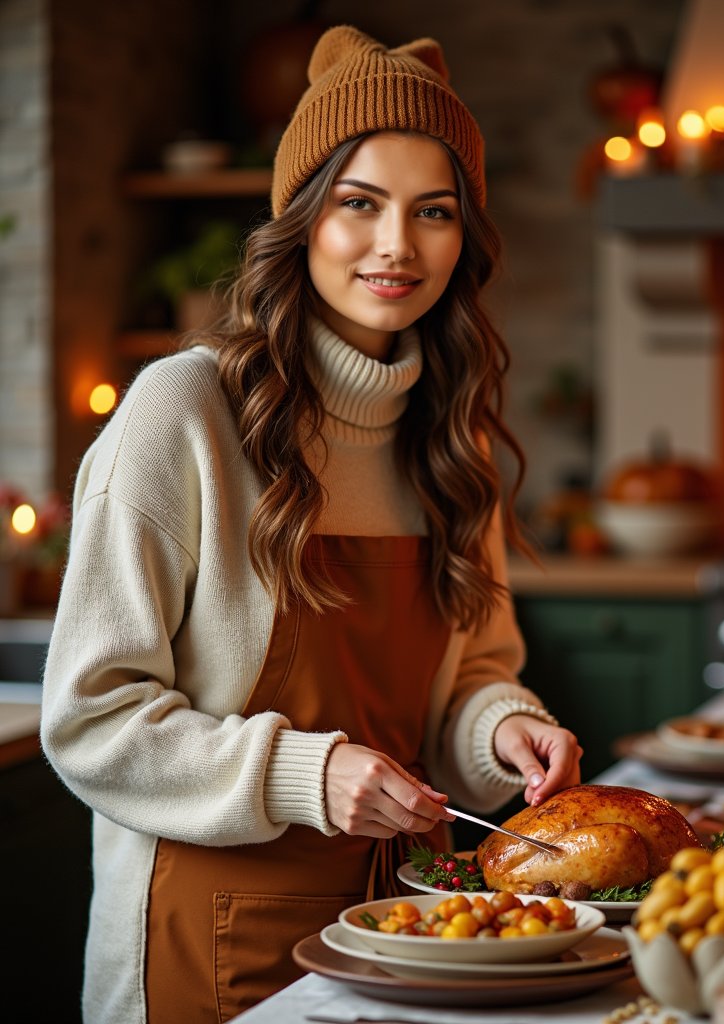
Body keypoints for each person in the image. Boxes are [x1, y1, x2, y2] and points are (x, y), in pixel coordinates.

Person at [40, 25, 582, 1024]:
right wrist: (310, 772)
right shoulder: (185, 413)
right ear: (301, 218)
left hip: (412, 927)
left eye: (434, 212)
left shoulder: (447, 439)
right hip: (203, 944)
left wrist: (504, 727)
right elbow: (90, 719)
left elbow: (467, 676)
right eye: (359, 204)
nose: (396, 246)